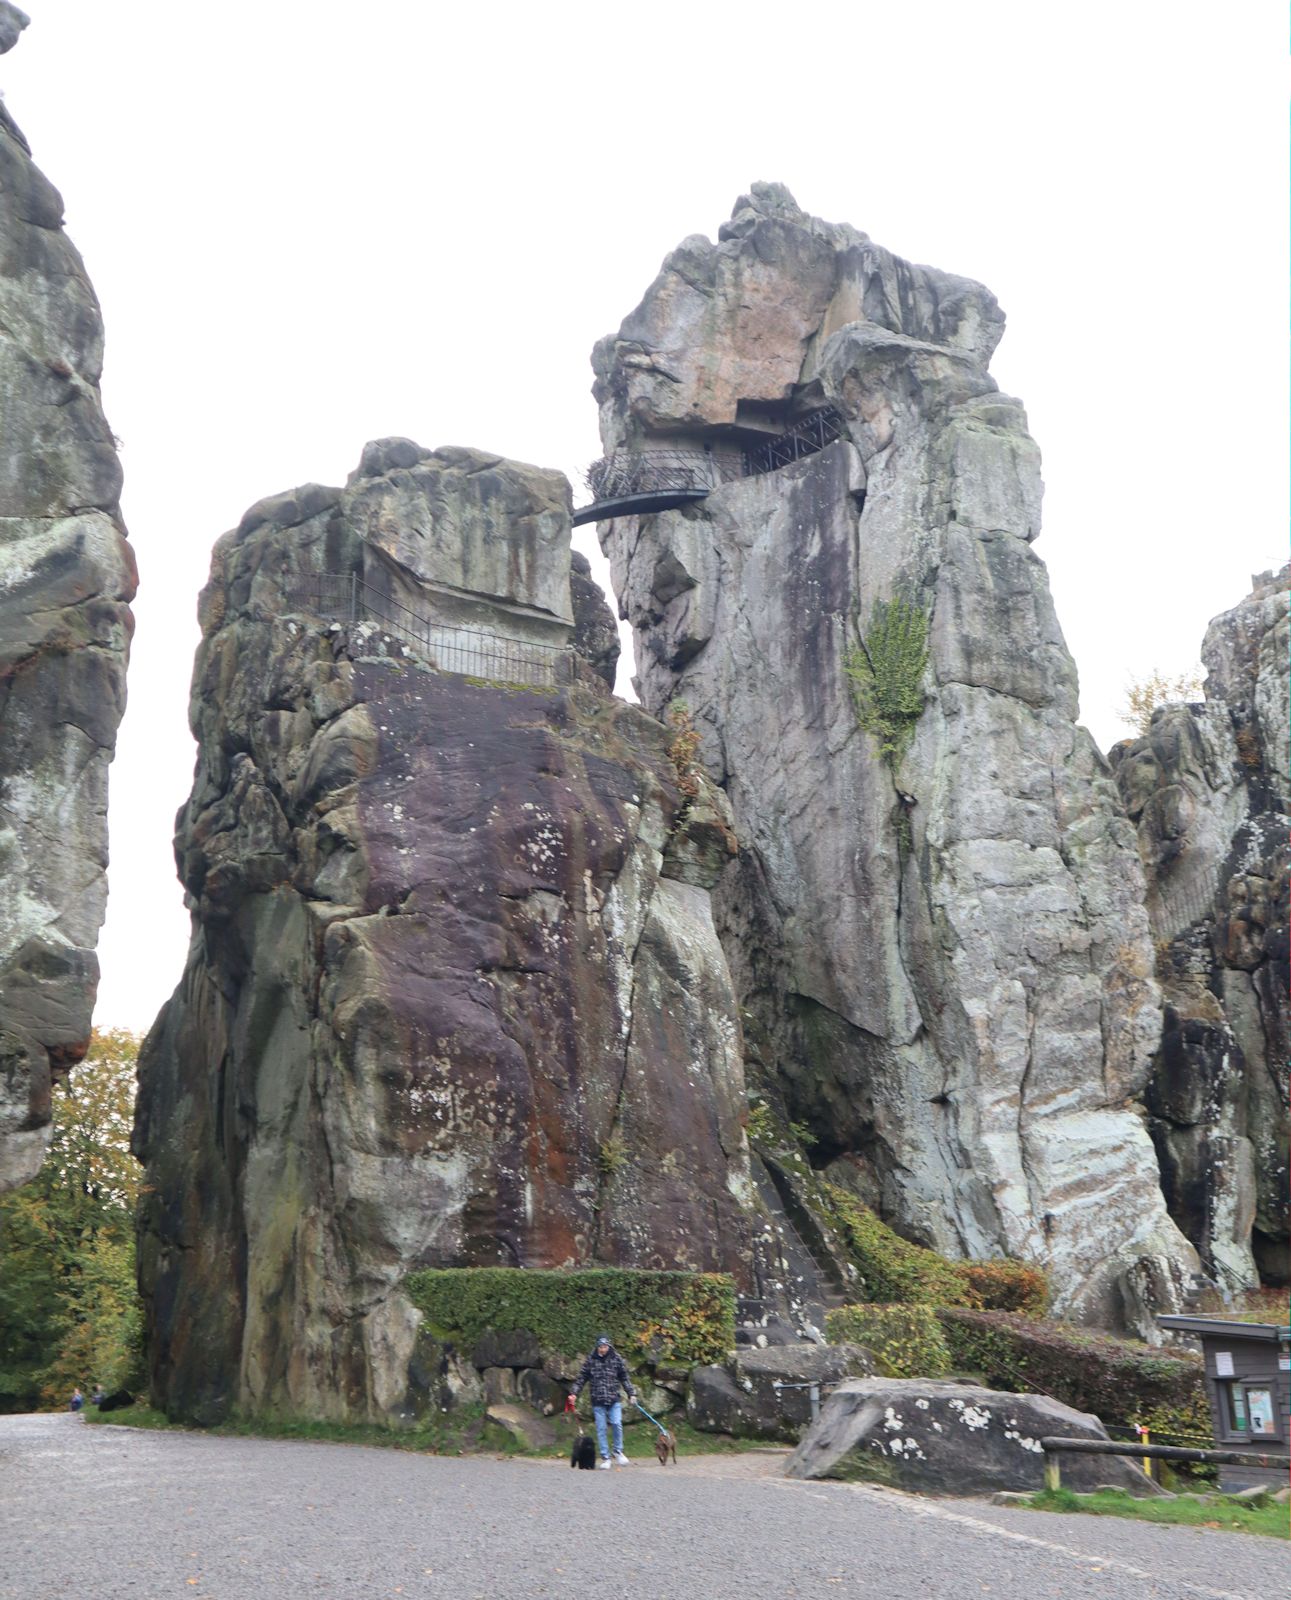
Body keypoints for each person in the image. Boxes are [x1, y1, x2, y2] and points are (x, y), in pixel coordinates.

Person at [566, 1333, 635, 1469]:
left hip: (614, 1399)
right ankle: (605, 1457)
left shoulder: (616, 1358)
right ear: (597, 1346)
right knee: (601, 1429)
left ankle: (618, 1451)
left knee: (616, 1423)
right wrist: (574, 1393)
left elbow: (624, 1377)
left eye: (605, 1346)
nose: (603, 1349)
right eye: (600, 1347)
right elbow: (582, 1378)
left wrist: (631, 1393)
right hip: (597, 1400)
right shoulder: (591, 1360)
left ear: (608, 1345)